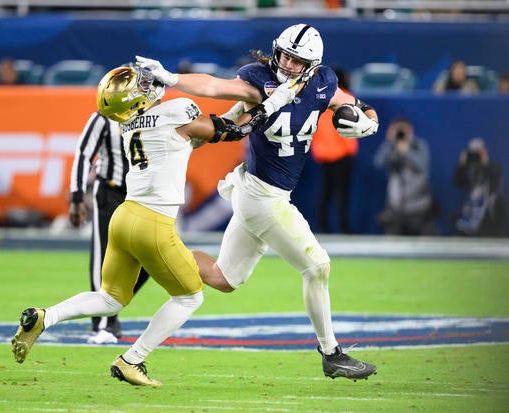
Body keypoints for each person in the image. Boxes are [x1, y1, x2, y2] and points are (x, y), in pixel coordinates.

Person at [11, 64, 293, 386]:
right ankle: (132, 359)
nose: (147, 85)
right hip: (153, 222)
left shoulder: (129, 124)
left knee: (110, 298)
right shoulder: (175, 111)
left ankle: (46, 317)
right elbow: (233, 132)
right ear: (136, 99)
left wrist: (242, 107)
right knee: (190, 297)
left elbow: (207, 132)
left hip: (124, 217)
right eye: (140, 85)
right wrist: (271, 104)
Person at [137, 22, 379, 381]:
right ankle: (331, 353)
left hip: (266, 193)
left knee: (223, 278)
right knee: (317, 267)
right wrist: (172, 78)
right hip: (263, 195)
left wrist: (368, 123)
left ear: (311, 64)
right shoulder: (259, 79)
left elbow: (359, 106)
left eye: (295, 60)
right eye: (283, 54)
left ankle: (155, 254)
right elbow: (215, 85)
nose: (285, 62)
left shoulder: (323, 80)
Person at [68, 111, 150, 344]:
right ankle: (102, 323)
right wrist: (76, 197)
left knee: (152, 258)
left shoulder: (153, 114)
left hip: (142, 195)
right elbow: (83, 154)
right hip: (110, 192)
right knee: (103, 259)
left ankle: (111, 307)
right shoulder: (103, 118)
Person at [310, 67, 358, 233]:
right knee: (341, 195)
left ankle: (324, 228)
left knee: (325, 194)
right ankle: (343, 228)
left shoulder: (317, 98)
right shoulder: (346, 98)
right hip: (341, 155)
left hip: (324, 156)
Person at [373, 117, 437, 235]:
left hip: (419, 207)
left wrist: (406, 151)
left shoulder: (419, 145)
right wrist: (389, 142)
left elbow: (423, 166)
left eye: (403, 129)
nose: (401, 132)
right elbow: (378, 162)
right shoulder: (391, 146)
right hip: (396, 207)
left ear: (410, 130)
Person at [453, 138, 506, 237]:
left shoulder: (493, 167)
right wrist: (461, 165)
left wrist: (484, 161)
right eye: (473, 152)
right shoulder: (469, 169)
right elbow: (457, 181)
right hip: (469, 214)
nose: (475, 155)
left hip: (488, 216)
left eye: (478, 152)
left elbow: (495, 182)